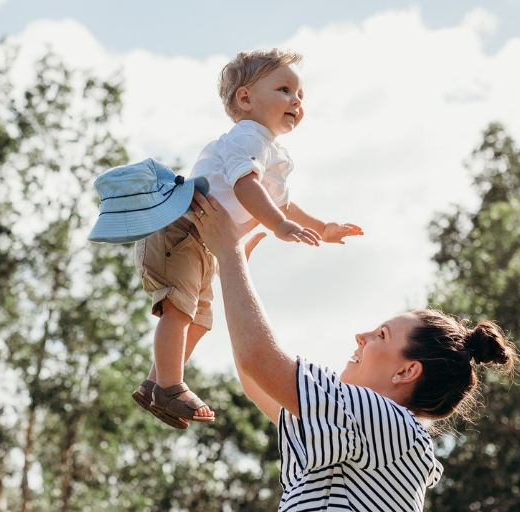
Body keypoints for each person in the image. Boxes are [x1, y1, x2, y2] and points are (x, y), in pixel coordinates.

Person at [187, 190, 520, 510]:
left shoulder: (390, 424)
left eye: (381, 335)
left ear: (406, 371)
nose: (360, 336)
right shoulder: (369, 431)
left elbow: (258, 360)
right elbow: (256, 377)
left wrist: (229, 253)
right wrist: (232, 269)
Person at [132, 48, 364, 429]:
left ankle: (156, 383)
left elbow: (284, 205)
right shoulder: (247, 137)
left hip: (204, 242)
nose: (296, 101)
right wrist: (277, 225)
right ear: (245, 98)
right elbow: (246, 187)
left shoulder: (272, 151)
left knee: (201, 320)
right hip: (181, 229)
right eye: (285, 89)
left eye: (301, 95)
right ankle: (171, 385)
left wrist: (324, 228)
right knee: (180, 310)